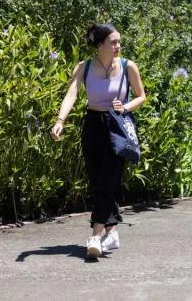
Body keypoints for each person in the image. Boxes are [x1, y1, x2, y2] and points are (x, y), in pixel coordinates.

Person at [50, 23, 146, 258]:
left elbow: (141, 96)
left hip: (117, 126)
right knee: (99, 181)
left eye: (119, 42)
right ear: (100, 44)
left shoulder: (127, 66)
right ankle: (111, 233)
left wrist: (125, 106)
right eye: (113, 42)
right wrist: (60, 120)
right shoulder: (84, 67)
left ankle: (95, 236)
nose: (118, 46)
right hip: (92, 126)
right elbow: (71, 93)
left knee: (107, 179)